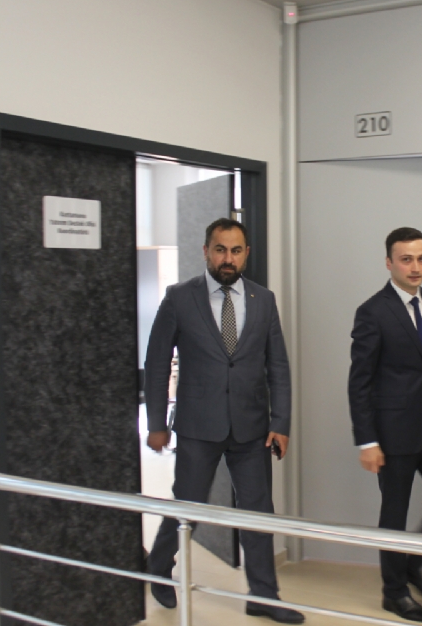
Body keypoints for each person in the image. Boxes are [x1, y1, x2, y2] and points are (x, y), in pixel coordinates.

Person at [144, 218, 304, 624]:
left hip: (252, 428)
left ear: (246, 254)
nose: (227, 258)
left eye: (235, 250)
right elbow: (157, 364)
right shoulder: (179, 298)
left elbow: (278, 366)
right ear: (206, 251)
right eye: (220, 250)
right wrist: (157, 423)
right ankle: (159, 568)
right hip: (198, 426)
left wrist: (281, 421)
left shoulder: (263, 299)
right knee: (189, 504)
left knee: (257, 512)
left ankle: (264, 596)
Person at [348, 227, 422, 623]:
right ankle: (394, 592)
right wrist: (367, 440)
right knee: (394, 515)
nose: (415, 267)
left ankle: (413, 566)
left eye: (421, 258)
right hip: (392, 432)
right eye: (406, 259)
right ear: (389, 263)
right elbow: (360, 381)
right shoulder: (373, 311)